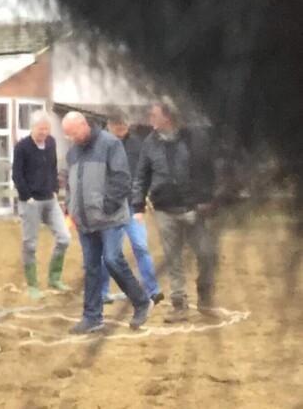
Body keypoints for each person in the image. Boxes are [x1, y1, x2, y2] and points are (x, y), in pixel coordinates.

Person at [61, 111, 151, 334]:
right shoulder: (73, 152)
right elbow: (72, 185)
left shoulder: (110, 144)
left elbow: (122, 178)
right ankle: (92, 317)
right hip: (84, 220)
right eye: (67, 136)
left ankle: (141, 301)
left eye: (73, 133)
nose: (71, 139)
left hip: (109, 217)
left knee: (112, 259)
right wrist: (70, 206)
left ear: (84, 125)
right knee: (91, 267)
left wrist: (107, 206)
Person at [133, 99, 218, 322]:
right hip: (164, 210)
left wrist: (207, 198)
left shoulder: (193, 139)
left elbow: (207, 171)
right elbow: (141, 176)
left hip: (193, 208)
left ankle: (205, 299)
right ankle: (179, 305)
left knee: (206, 254)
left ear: (167, 117)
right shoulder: (150, 143)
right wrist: (138, 205)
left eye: (154, 115)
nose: (151, 119)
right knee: (173, 259)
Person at [100, 110, 163, 306]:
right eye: (117, 124)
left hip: (132, 206)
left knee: (141, 247)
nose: (121, 127)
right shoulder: (99, 145)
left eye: (124, 123)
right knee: (108, 254)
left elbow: (144, 171)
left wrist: (143, 199)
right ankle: (102, 292)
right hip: (109, 208)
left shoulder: (137, 144)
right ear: (109, 125)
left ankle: (153, 290)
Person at [12, 110, 71, 299]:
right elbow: (17, 174)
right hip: (31, 202)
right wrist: (26, 196)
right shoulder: (22, 147)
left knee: (64, 237)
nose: (44, 132)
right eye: (41, 129)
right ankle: (32, 284)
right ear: (33, 128)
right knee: (30, 243)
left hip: (50, 199)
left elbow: (53, 166)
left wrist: (54, 189)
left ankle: (54, 277)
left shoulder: (51, 143)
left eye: (46, 129)